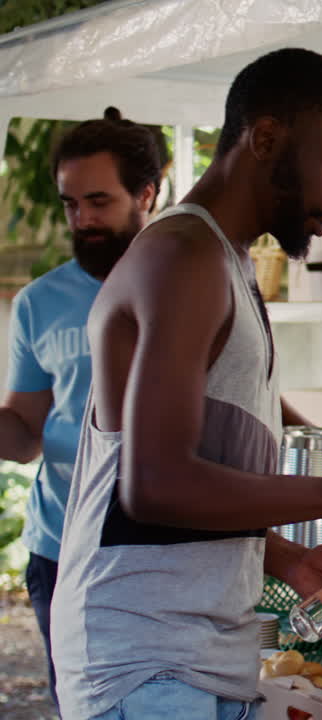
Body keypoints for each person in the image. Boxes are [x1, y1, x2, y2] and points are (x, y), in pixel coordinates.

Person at [50, 48, 322, 720]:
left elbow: (181, 496)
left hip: (193, 661)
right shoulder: (183, 255)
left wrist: (287, 560)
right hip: (148, 667)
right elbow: (154, 486)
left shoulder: (225, 263)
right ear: (267, 138)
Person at [0, 107, 165, 711]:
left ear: (146, 194)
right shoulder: (39, 302)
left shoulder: (189, 284)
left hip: (164, 548)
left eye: (99, 201)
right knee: (78, 706)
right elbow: (24, 436)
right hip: (61, 547)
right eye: (71, 204)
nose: (83, 220)